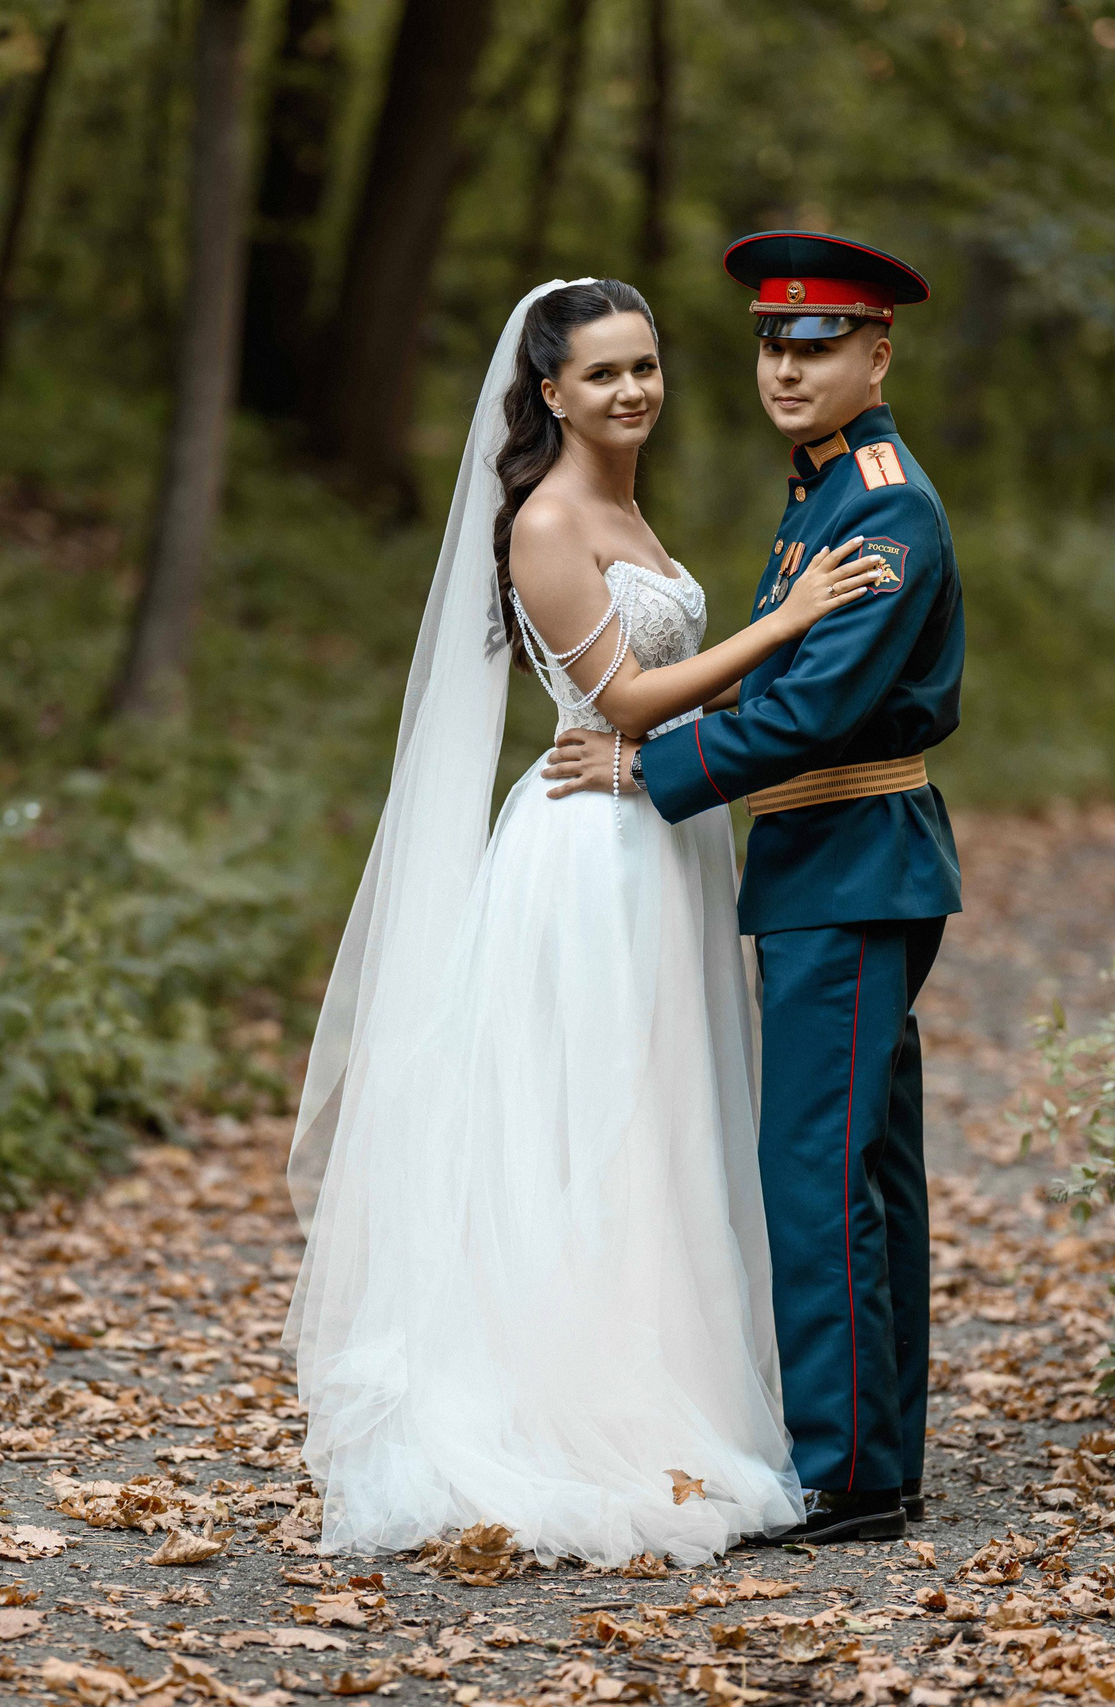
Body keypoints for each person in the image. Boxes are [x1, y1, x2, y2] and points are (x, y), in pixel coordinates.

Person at [284, 278, 887, 1565]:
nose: (632, 391)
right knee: (602, 1115)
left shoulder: (623, 504)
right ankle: (578, 1416)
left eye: (646, 367)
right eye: (604, 374)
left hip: (662, 838)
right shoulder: (549, 519)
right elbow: (619, 702)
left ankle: (669, 1389)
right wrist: (785, 621)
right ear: (548, 392)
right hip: (593, 845)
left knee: (665, 1113)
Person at [547, 234, 965, 1545]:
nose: (789, 364)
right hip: (833, 859)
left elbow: (815, 709)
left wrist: (644, 762)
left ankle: (845, 1472)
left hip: (849, 857)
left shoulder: (883, 504)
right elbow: (789, 684)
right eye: (773, 342)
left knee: (821, 1172)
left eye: (821, 342)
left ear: (877, 354)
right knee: (864, 1166)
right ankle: (871, 1455)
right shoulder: (826, 489)